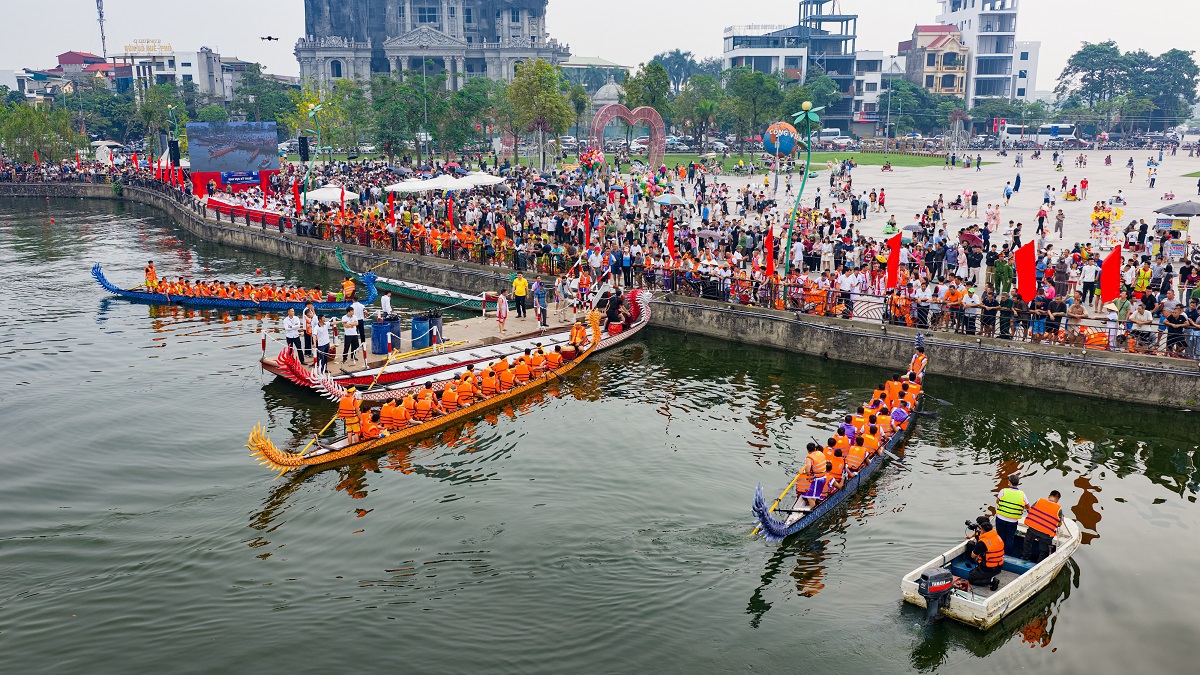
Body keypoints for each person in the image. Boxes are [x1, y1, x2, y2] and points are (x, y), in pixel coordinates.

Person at [1022, 490, 1062, 563]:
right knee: (1044, 551)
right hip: (1046, 534)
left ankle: (1025, 557)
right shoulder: (1058, 508)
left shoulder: (1039, 501)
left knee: (1027, 542)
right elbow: (1059, 524)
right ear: (1058, 500)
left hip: (1033, 528)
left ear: (1049, 497)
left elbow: (1031, 510)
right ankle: (1039, 563)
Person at [966, 517, 1006, 591]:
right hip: (998, 566)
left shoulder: (983, 543)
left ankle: (992, 581)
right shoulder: (997, 537)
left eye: (980, 529)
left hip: (988, 568)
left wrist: (975, 547)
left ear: (983, 531)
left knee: (971, 579)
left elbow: (973, 555)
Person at [996, 474, 1029, 555]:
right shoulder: (1022, 494)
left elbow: (997, 501)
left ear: (1009, 482)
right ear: (1018, 483)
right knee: (1010, 538)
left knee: (1000, 537)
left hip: (1000, 519)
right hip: (1012, 521)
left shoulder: (1003, 491)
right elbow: (1028, 506)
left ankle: (998, 552)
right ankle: (1007, 554)